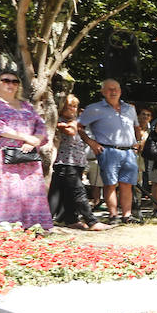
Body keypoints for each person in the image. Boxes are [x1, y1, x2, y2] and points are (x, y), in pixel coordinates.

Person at [0, 71, 53, 229]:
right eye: (5, 80)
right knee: (5, 191)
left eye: (15, 81)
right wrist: (26, 137)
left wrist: (34, 141)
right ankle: (3, 229)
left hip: (28, 157)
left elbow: (40, 126)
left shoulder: (26, 106)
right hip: (1, 158)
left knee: (30, 192)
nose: (10, 84)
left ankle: (34, 228)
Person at [78, 78, 141, 224]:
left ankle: (127, 216)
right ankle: (113, 215)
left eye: (116, 89)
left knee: (127, 184)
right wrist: (91, 142)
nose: (113, 92)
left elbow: (136, 127)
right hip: (108, 150)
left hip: (129, 151)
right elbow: (79, 126)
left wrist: (137, 143)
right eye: (109, 89)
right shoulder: (94, 108)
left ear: (120, 91)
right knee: (110, 184)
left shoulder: (129, 108)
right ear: (103, 91)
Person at [49, 95, 110, 231]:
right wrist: (73, 124)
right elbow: (70, 131)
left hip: (77, 162)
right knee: (78, 191)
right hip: (64, 162)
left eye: (74, 106)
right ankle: (91, 221)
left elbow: (81, 135)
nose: (72, 109)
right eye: (68, 106)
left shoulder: (76, 122)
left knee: (67, 193)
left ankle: (70, 219)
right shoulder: (58, 121)